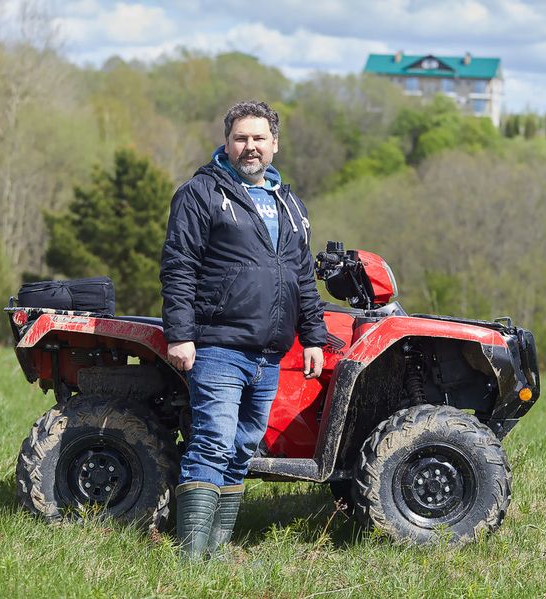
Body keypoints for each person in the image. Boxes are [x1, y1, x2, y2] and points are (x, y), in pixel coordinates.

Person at [160, 101, 327, 560]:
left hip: (269, 352)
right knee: (212, 440)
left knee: (242, 447)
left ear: (274, 143)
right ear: (227, 142)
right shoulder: (200, 194)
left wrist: (312, 337)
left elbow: (301, 277)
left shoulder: (289, 204)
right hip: (217, 345)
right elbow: (179, 267)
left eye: (258, 138)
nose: (249, 146)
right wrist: (180, 334)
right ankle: (190, 557)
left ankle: (214, 552)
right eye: (240, 138)